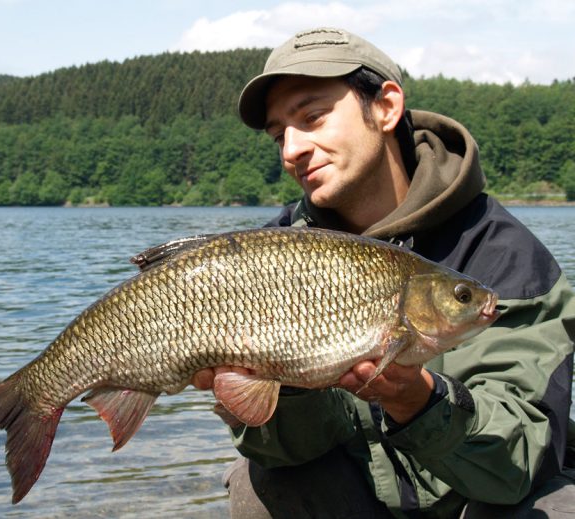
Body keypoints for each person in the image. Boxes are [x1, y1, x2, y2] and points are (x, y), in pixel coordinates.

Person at [191, 27, 575, 517]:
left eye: (313, 117)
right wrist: (278, 385)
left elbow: (519, 462)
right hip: (355, 495)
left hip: (475, 502)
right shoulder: (273, 254)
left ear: (387, 107)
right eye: (278, 135)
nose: (291, 150)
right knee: (259, 481)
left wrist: (421, 401)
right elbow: (286, 451)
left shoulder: (504, 255)